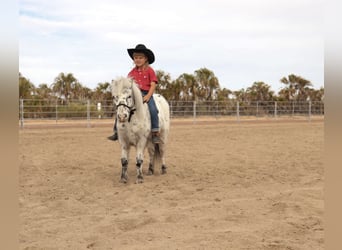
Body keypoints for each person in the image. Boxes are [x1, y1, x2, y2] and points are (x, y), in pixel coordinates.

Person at [108, 44, 161, 144]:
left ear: (145, 59)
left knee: (153, 109)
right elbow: (127, 86)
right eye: (136, 58)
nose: (138, 60)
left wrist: (148, 96)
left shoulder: (150, 71)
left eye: (140, 58)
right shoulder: (132, 72)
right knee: (121, 108)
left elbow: (153, 85)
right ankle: (116, 131)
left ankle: (155, 132)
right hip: (134, 95)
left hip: (146, 93)